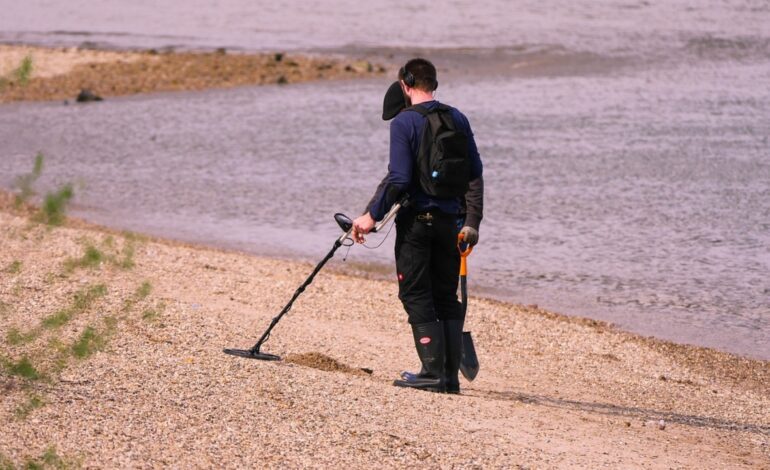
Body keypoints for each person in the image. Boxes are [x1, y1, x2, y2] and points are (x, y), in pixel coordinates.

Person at [353, 58, 483, 393]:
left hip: (418, 224)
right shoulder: (458, 117)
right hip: (451, 224)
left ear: (405, 85)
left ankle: (430, 372)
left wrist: (371, 217)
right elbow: (474, 172)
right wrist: (471, 220)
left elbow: (398, 178)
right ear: (434, 83)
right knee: (445, 295)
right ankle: (449, 377)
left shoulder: (404, 122)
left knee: (415, 292)